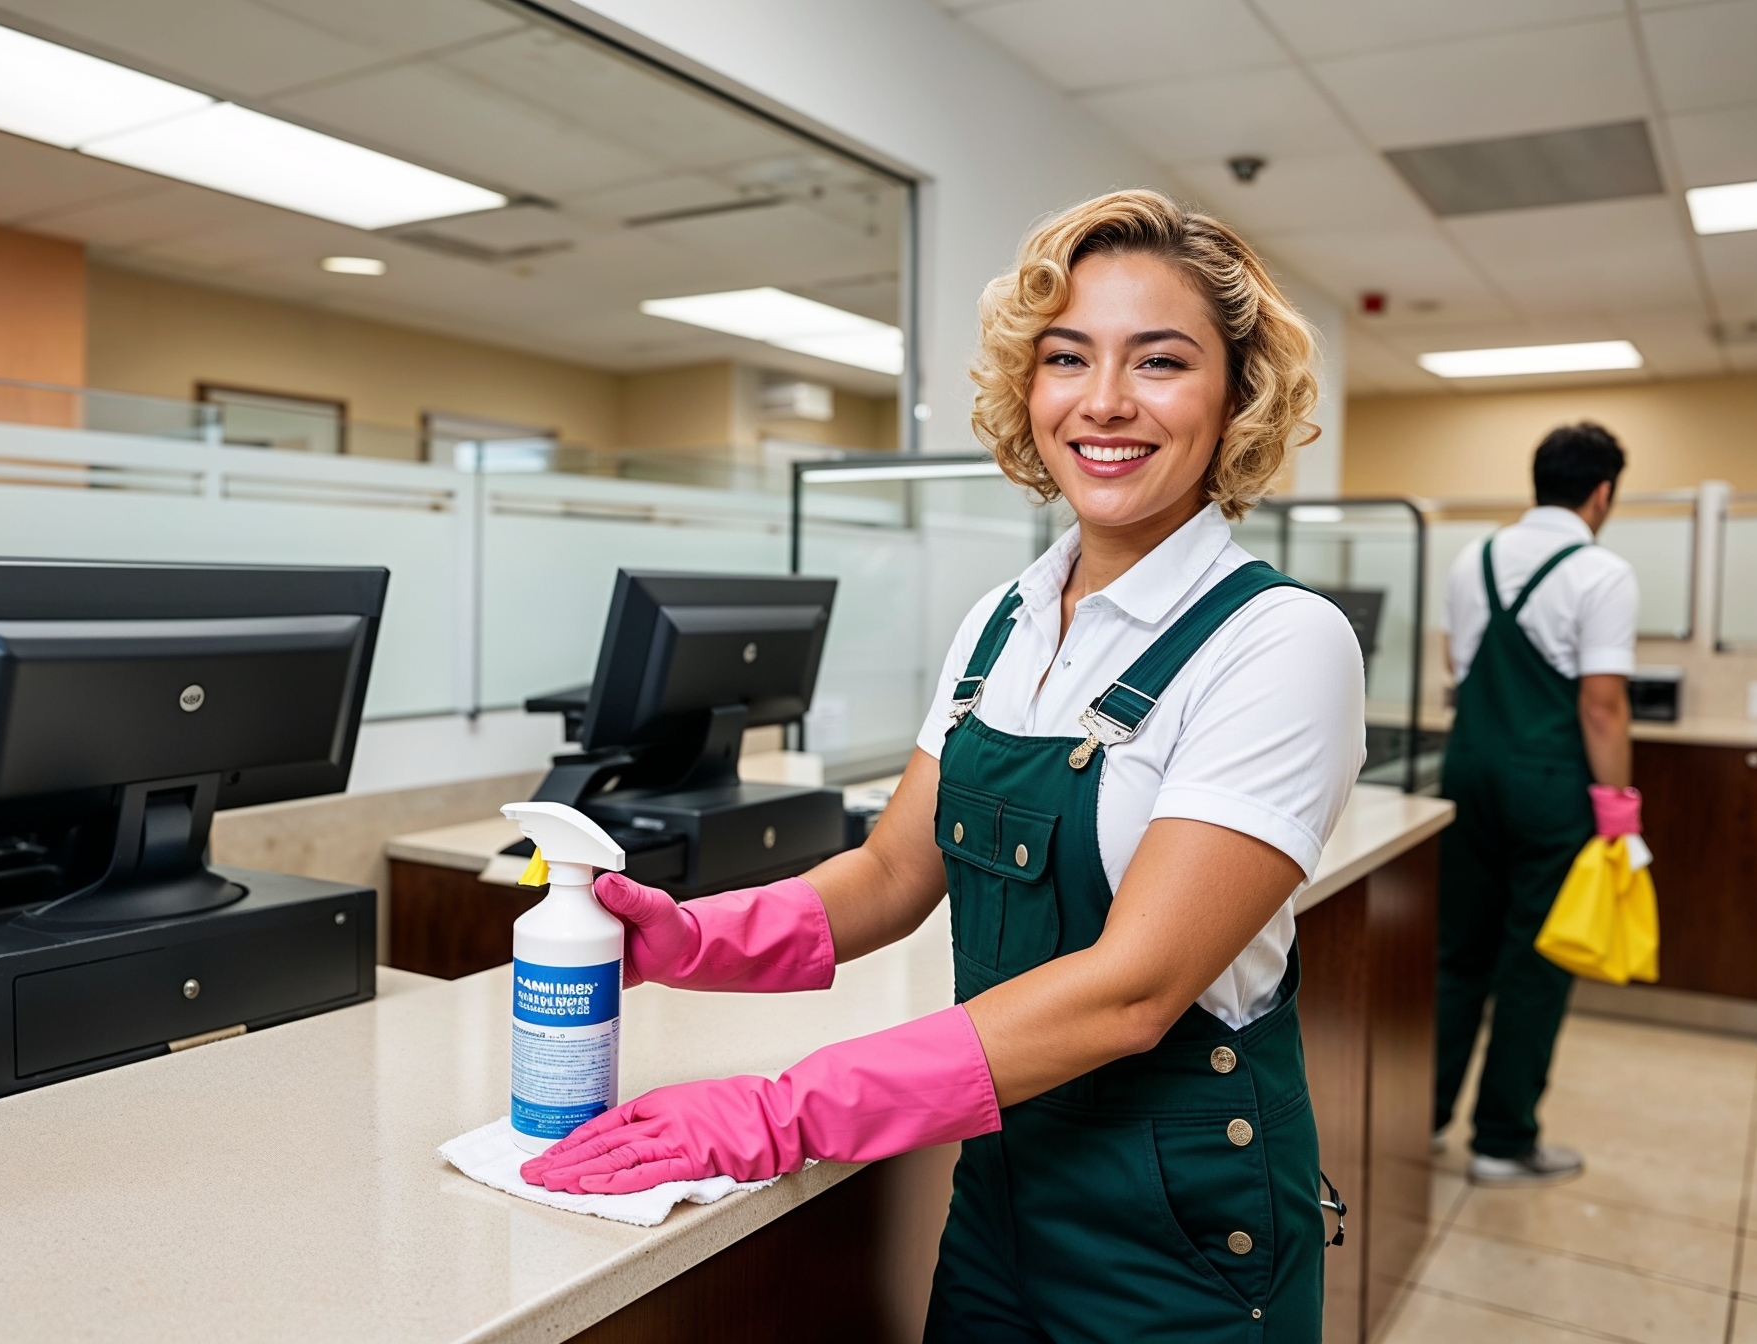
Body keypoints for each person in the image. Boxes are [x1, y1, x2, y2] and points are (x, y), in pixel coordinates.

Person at [519, 189, 1366, 1342]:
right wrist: (696, 939)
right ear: (1029, 388)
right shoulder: (1002, 624)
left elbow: (1133, 991)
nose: (1105, 401)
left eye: (1159, 362)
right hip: (1003, 1198)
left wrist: (784, 1112)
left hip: (1181, 1241)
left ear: (1235, 397)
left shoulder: (1278, 643)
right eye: (1067, 357)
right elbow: (888, 877)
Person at [1433, 422, 1643, 1186]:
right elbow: (1602, 707)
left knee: (1457, 954)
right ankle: (1501, 1140)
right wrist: (1620, 814)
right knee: (1534, 964)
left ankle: (1418, 1117)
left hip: (1468, 774)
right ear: (1602, 492)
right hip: (1549, 787)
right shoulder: (1602, 572)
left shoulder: (1472, 557)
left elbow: (1457, 663)